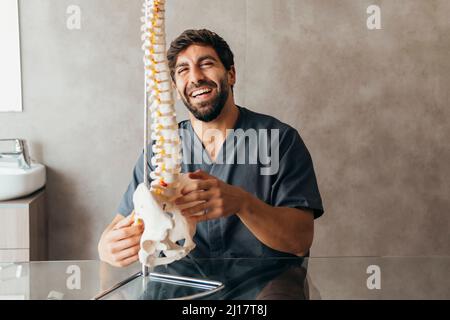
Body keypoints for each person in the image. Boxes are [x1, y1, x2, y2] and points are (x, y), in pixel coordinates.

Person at [98, 29, 324, 267]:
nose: (195, 77)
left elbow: (300, 241)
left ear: (231, 74)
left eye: (206, 64)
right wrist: (107, 246)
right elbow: (118, 226)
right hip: (182, 290)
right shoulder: (159, 151)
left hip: (264, 290)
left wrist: (242, 203)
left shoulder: (280, 141)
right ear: (175, 88)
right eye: (183, 70)